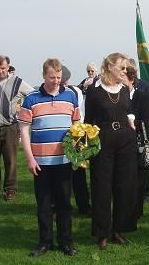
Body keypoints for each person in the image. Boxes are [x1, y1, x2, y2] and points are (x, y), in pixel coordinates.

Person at [18, 58, 79, 257]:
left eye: (59, 77)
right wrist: (30, 158)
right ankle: (44, 243)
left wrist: (78, 152)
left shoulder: (70, 96)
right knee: (43, 204)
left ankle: (66, 242)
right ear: (43, 75)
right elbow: (24, 131)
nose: (55, 81)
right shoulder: (31, 99)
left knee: (64, 204)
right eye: (52, 77)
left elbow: (77, 127)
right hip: (41, 163)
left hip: (64, 161)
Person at [84, 53, 138, 250]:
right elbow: (88, 120)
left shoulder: (125, 90)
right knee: (101, 187)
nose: (125, 71)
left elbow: (129, 109)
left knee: (124, 186)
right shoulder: (94, 91)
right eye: (122, 68)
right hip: (103, 140)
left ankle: (118, 230)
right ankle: (101, 233)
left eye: (126, 68)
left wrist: (131, 122)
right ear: (109, 67)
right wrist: (86, 145)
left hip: (125, 140)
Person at [0, 55, 33, 203]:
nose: (0, 71)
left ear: (8, 66)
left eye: (3, 68)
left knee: (11, 160)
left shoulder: (17, 82)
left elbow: (33, 95)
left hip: (10, 127)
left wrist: (22, 107)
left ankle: (10, 189)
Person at [61, 66, 91, 216]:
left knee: (79, 172)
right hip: (65, 134)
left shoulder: (75, 92)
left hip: (77, 132)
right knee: (62, 173)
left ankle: (83, 206)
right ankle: (62, 205)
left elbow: (79, 114)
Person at [123, 65, 149, 217]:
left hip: (138, 141)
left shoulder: (142, 96)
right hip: (121, 141)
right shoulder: (116, 97)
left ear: (131, 80)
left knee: (139, 177)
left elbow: (146, 119)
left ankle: (138, 209)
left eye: (123, 79)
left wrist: (130, 122)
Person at [128, 58, 149, 202]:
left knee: (142, 163)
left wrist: (138, 124)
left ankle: (144, 192)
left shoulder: (146, 87)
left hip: (141, 132)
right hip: (125, 135)